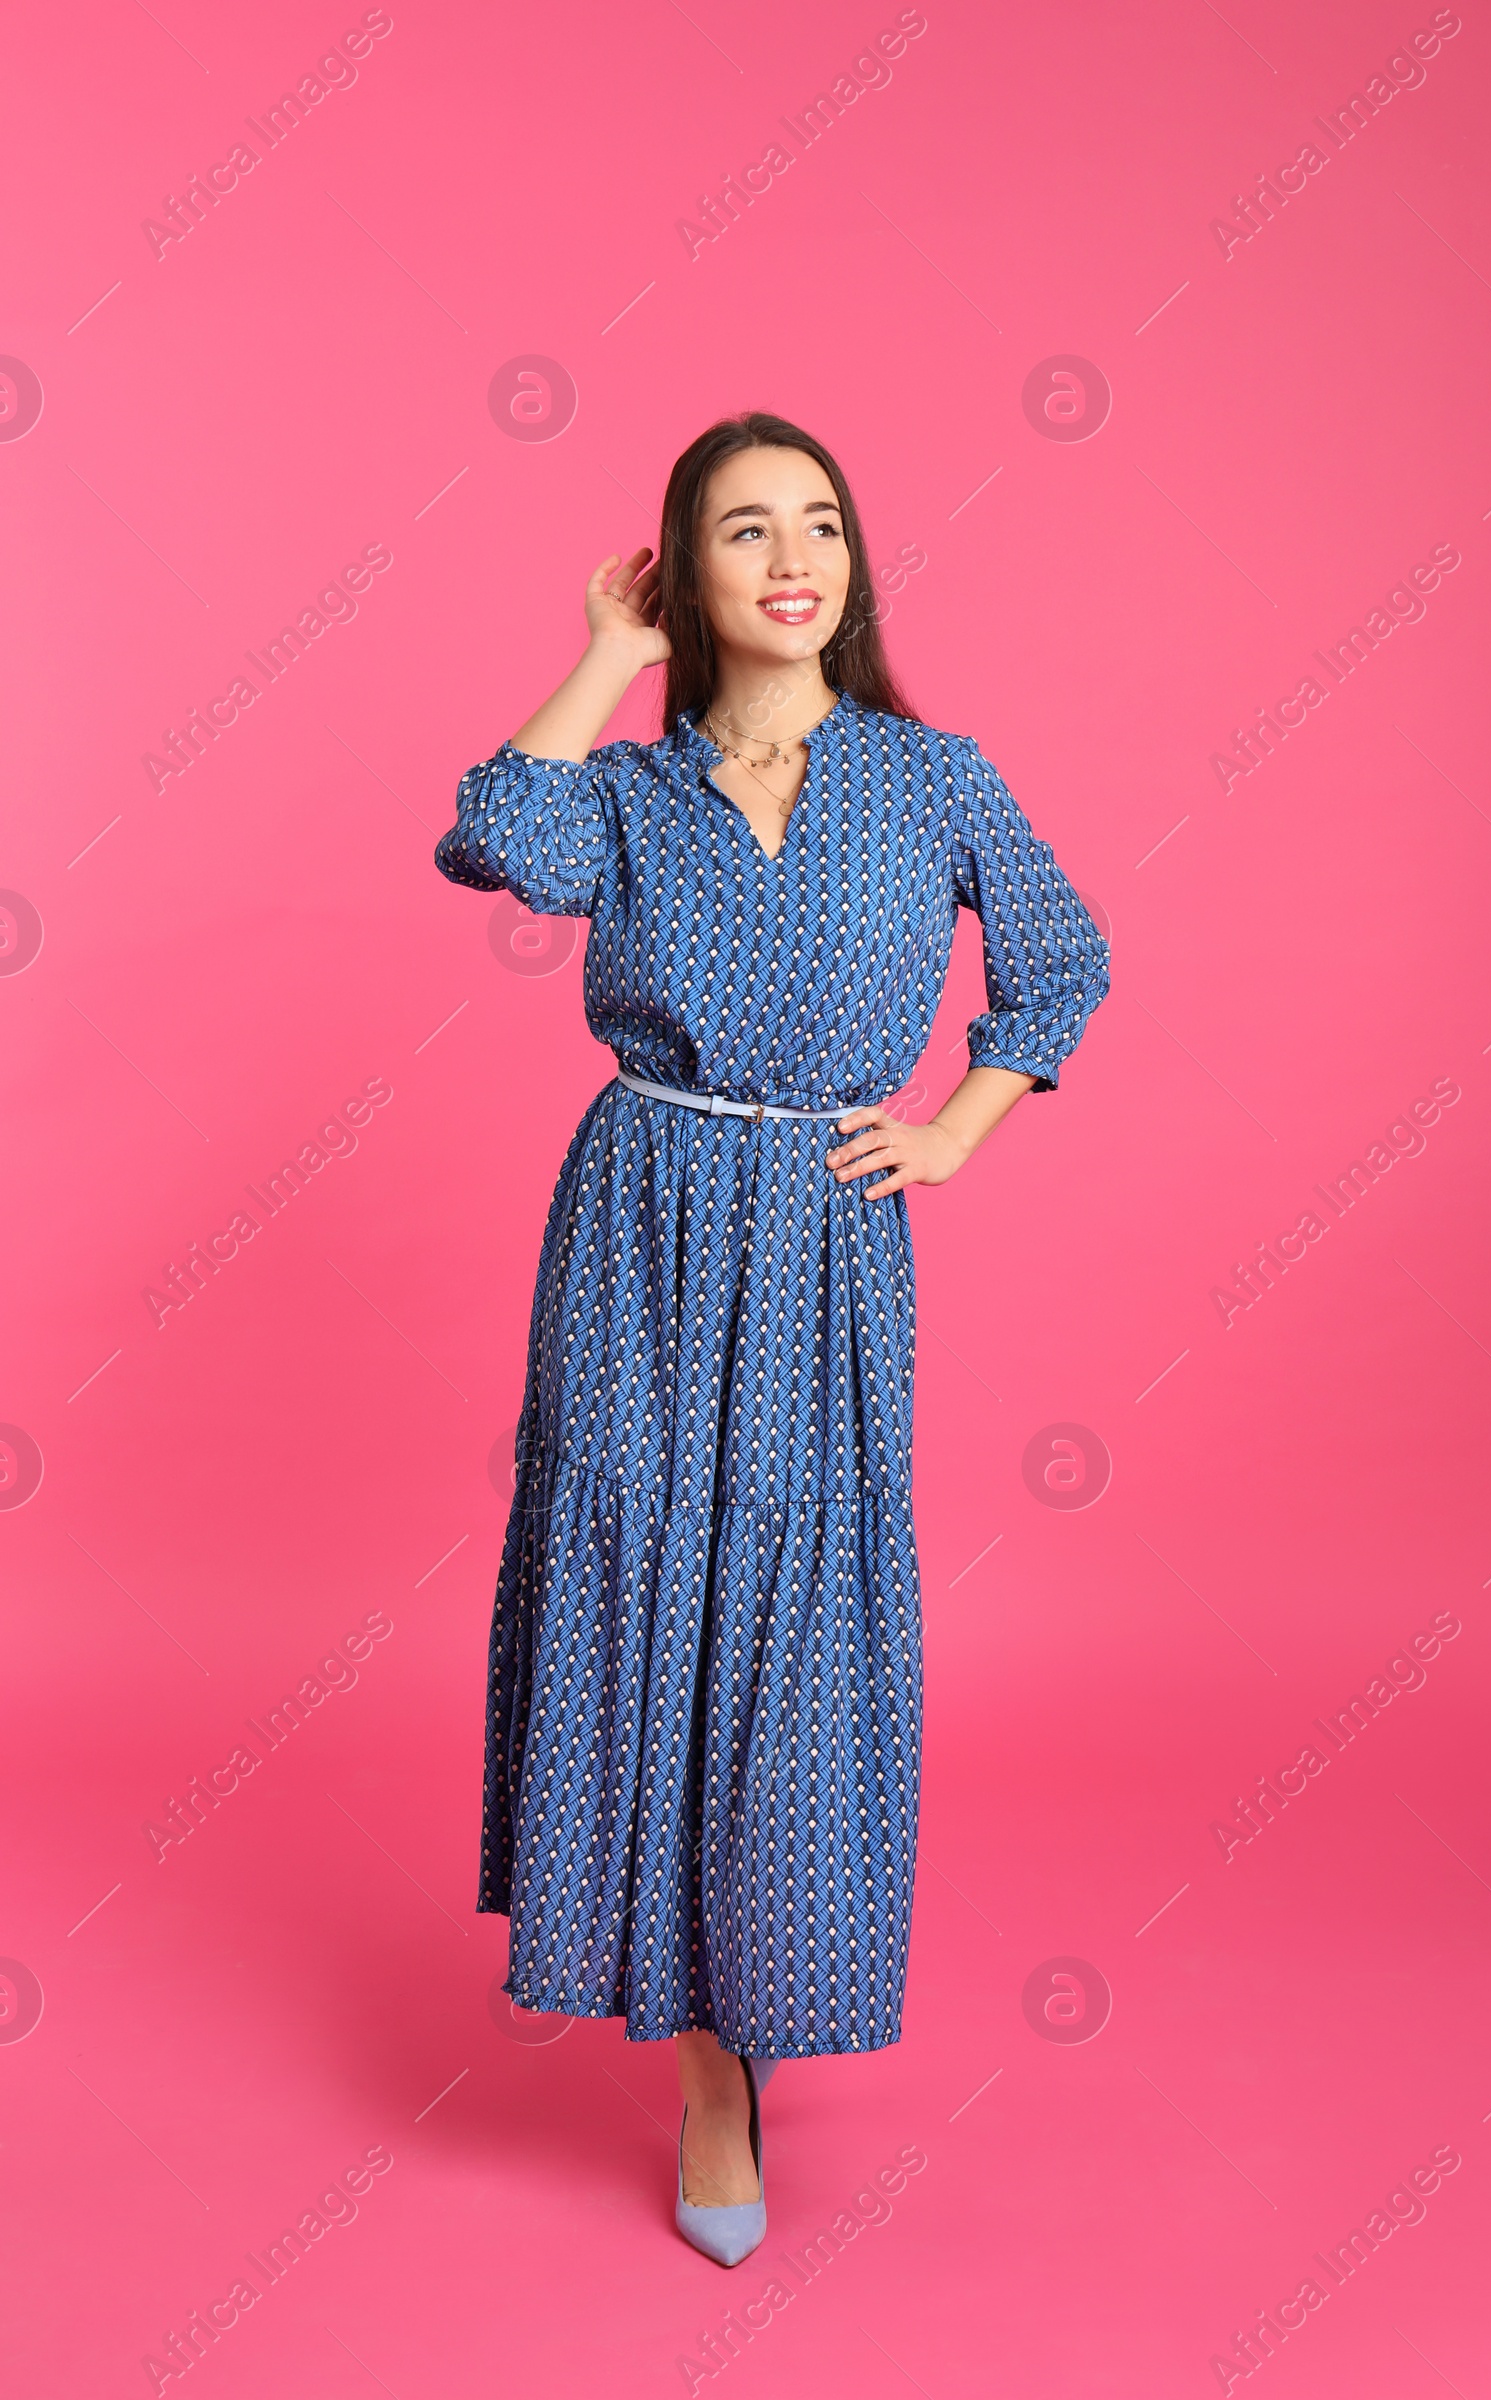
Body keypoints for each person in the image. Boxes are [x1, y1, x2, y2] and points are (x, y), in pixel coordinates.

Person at [434, 409, 1110, 2267]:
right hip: (640, 1224)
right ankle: (699, 2079)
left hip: (825, 1237)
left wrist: (957, 1131)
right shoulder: (633, 795)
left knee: (789, 1618)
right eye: (745, 531)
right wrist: (607, 650)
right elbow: (487, 836)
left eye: (820, 523)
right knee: (641, 1580)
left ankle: (750, 2023)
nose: (794, 557)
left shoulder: (930, 774)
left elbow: (1062, 958)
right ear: (688, 568)